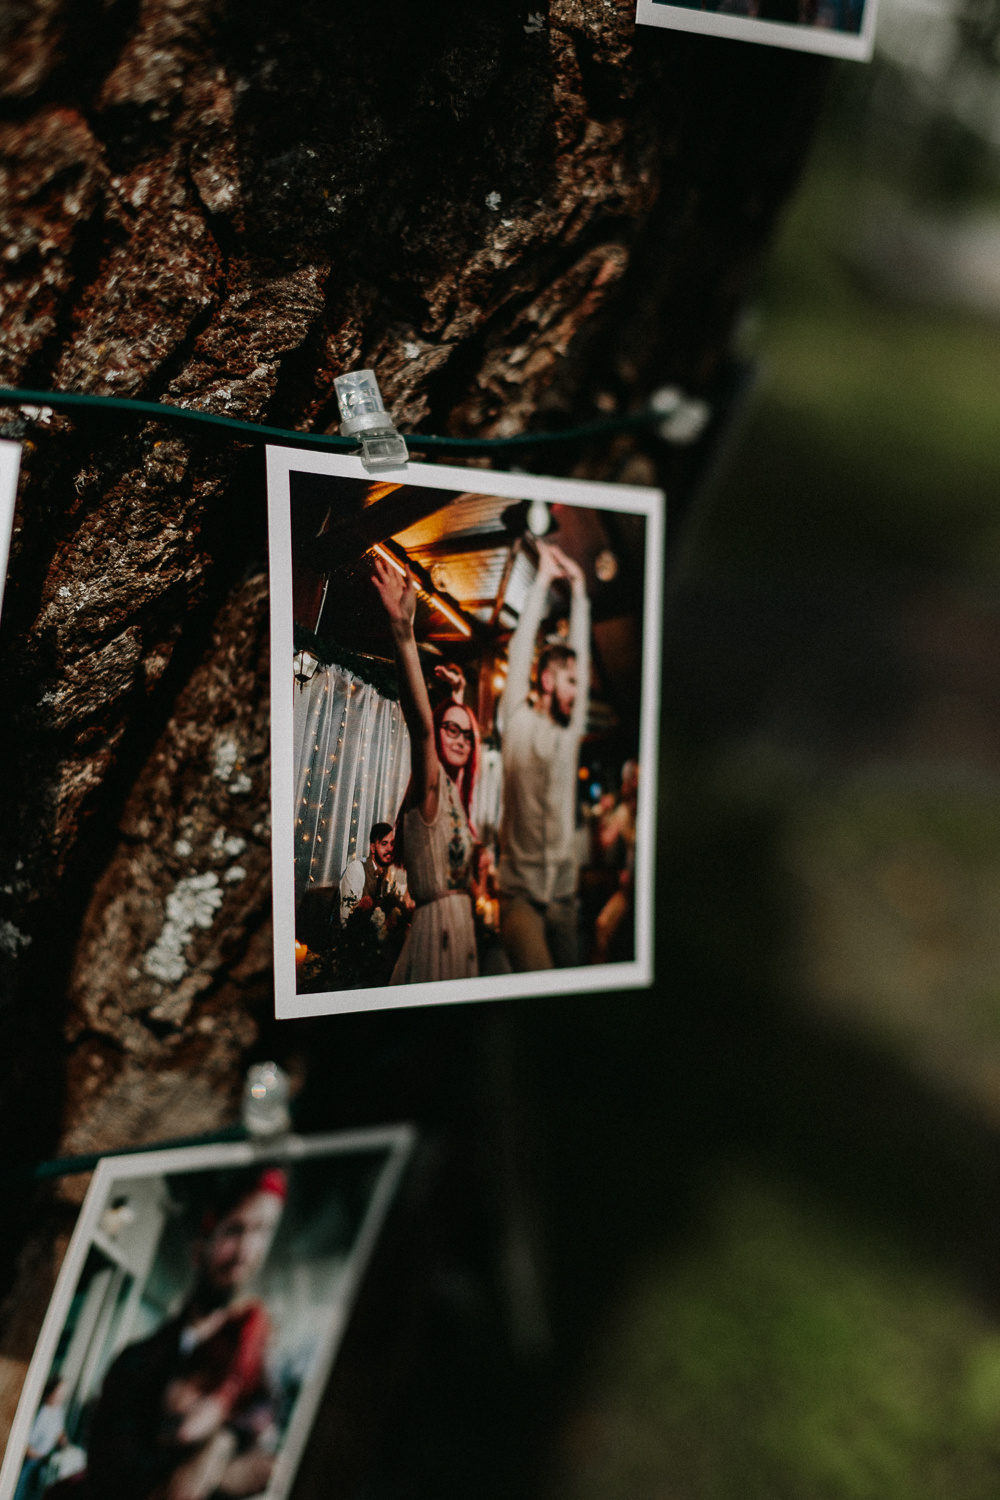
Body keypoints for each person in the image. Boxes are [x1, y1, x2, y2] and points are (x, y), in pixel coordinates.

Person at [85, 1167, 287, 1500]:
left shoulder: (259, 1369)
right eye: (234, 1230)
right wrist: (216, 1472)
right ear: (200, 1246)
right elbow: (109, 1475)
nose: (245, 1251)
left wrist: (222, 1444)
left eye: (262, 1231)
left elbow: (265, 1464)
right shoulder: (134, 1361)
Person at [371, 554, 479, 984]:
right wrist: (403, 632)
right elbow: (422, 727)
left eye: (468, 736)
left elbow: (459, 731)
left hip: (463, 931)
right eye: (451, 729)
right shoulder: (431, 786)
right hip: (438, 934)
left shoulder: (453, 794)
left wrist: (460, 697)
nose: (460, 738)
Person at [498, 539, 589, 971]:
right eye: (569, 681)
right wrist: (544, 581)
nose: (579, 690)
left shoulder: (570, 736)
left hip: (566, 901)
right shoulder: (516, 721)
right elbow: (519, 650)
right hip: (520, 898)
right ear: (548, 682)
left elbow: (584, 664)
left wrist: (582, 594)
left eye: (578, 681)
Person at [14, 1377, 68, 1500]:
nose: (61, 1397)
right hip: (30, 1460)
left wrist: (62, 1438)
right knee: (19, 1490)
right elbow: (24, 1441)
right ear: (50, 1392)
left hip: (43, 1462)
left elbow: (58, 1430)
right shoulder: (38, 1410)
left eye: (63, 1394)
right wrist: (36, 1455)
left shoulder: (58, 1411)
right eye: (58, 1393)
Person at [339, 822, 396, 926]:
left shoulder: (387, 875)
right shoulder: (357, 869)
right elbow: (346, 920)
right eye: (384, 844)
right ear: (373, 848)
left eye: (392, 844)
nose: (390, 849)